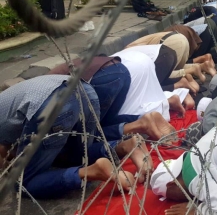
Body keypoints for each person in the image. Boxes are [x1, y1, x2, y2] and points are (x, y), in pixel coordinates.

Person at [0, 76, 143, 198]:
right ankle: (124, 146)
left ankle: (91, 171)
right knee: (77, 155)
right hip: (84, 90)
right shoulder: (8, 98)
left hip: (51, 103)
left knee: (24, 183)